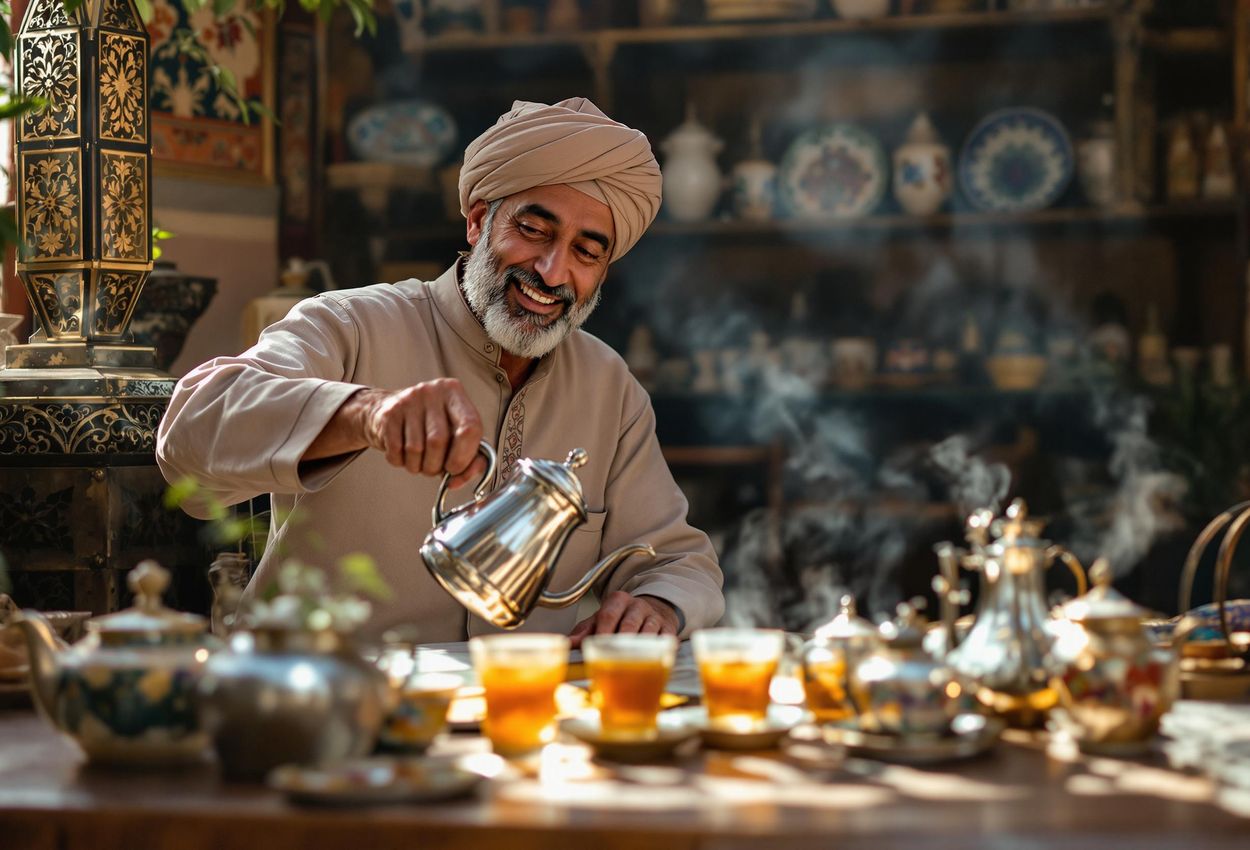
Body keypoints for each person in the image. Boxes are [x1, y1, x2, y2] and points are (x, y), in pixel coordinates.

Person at [156, 97, 724, 645]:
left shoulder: (609, 386)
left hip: (517, 712)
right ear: (478, 221)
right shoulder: (352, 323)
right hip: (328, 700)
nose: (553, 273)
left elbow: (678, 559)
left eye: (587, 251)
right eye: (534, 230)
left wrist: (657, 605)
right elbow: (189, 438)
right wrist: (366, 414)